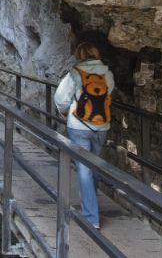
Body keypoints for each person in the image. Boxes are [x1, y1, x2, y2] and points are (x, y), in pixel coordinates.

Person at [54, 42, 115, 230]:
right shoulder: (107, 74)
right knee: (93, 164)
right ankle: (91, 202)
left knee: (84, 169)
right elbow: (108, 93)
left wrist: (64, 111)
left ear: (79, 55)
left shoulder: (75, 73)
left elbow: (61, 98)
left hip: (79, 126)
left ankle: (91, 216)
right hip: (101, 125)